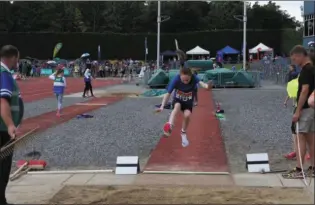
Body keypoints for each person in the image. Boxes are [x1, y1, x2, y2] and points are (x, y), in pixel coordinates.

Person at [157, 66, 212, 147]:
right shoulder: (176, 79)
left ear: (191, 76)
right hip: (178, 100)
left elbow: (202, 84)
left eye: (187, 80)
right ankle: (170, 126)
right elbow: (168, 94)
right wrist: (162, 106)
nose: (185, 82)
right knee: (176, 107)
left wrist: (207, 86)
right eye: (183, 80)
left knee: (187, 115)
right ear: (180, 77)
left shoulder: (194, 77)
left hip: (188, 103)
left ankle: (183, 133)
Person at [282, 45, 315, 179]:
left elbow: (304, 91)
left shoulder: (307, 70)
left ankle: (299, 169)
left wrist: (298, 110)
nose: (294, 62)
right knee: (311, 138)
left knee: (300, 137)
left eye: (295, 59)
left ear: (300, 55)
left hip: (306, 108)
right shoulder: (312, 69)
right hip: (311, 109)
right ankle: (313, 168)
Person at [0, 45, 24, 205]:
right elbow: (3, 101)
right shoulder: (4, 74)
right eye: (18, 58)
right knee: (3, 168)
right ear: (13, 57)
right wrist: (10, 125)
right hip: (2, 131)